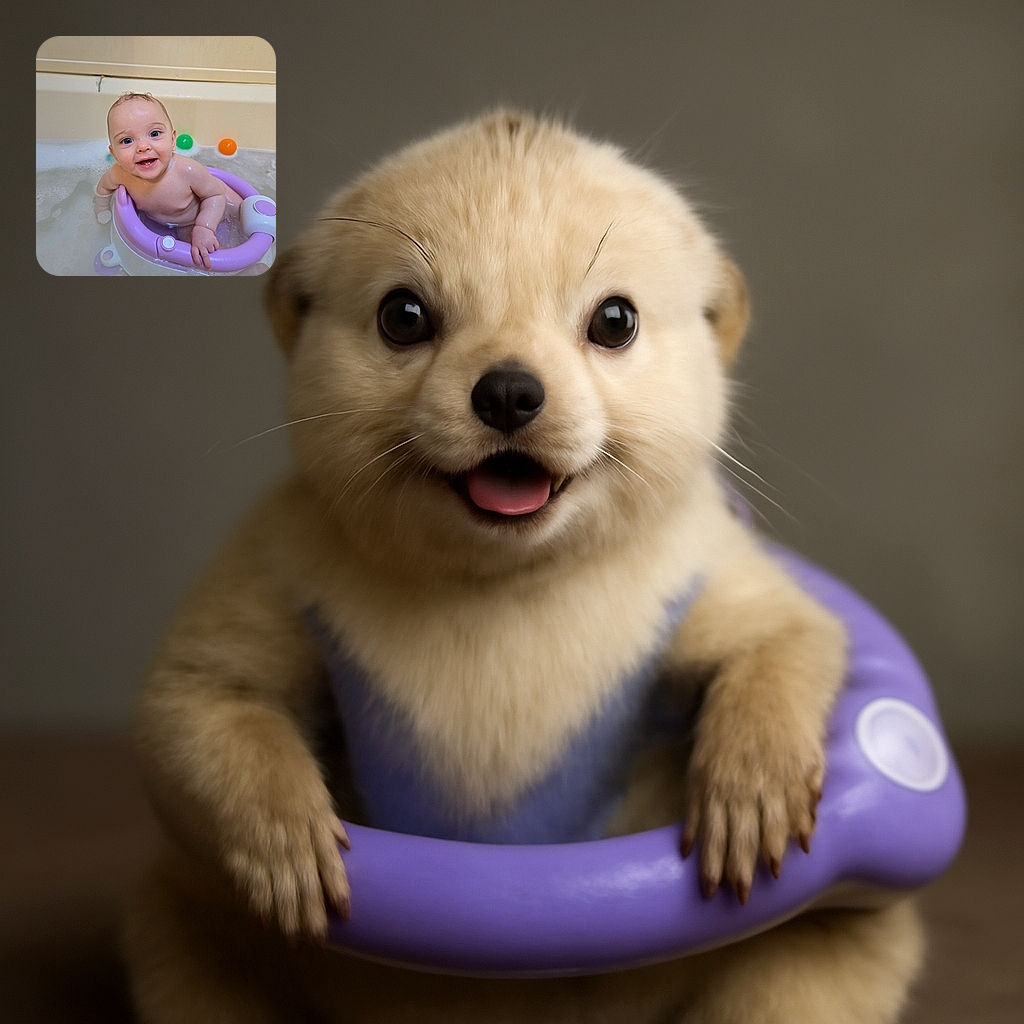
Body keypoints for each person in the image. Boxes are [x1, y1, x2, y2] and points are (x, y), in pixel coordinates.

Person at [94, 93, 242, 270]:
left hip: (206, 211)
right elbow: (103, 189)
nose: (143, 147)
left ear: (173, 140)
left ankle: (246, 266)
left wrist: (205, 227)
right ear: (114, 153)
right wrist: (101, 208)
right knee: (197, 258)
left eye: (154, 133)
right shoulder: (119, 174)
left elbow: (216, 195)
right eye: (127, 140)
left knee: (243, 216)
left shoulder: (187, 171)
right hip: (180, 224)